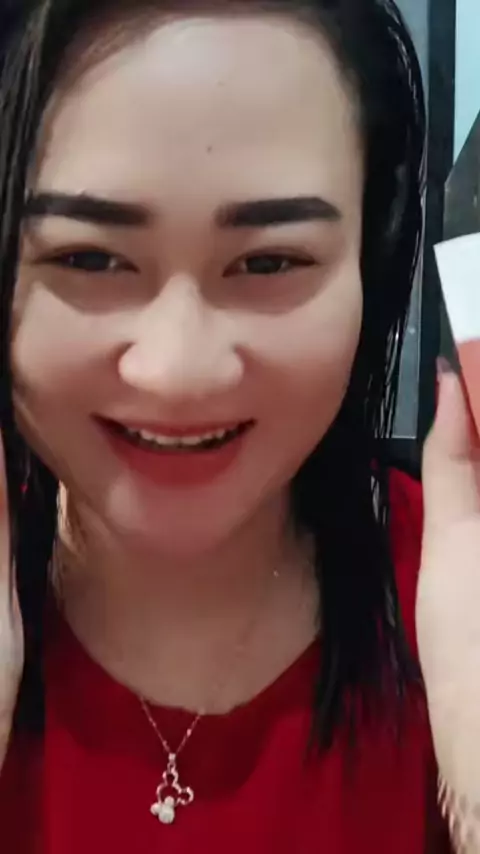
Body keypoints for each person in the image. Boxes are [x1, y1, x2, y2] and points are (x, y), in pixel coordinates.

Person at [0, 0, 478, 851]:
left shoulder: (456, 598)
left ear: (370, 262)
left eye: (269, 261)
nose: (178, 371)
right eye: (89, 258)